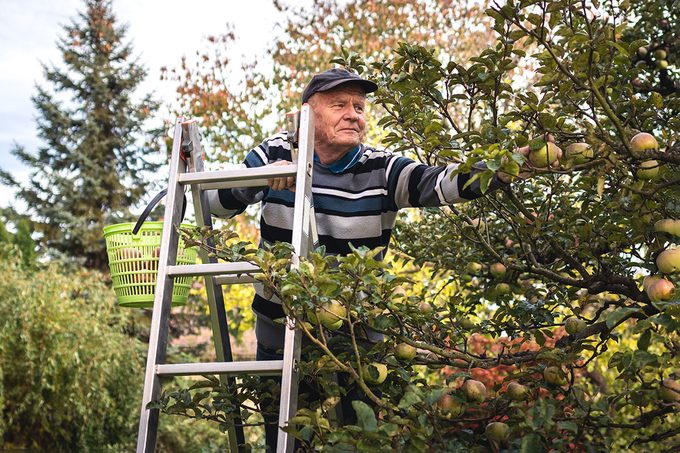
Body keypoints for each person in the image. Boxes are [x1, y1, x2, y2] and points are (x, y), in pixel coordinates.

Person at [207, 68, 553, 450]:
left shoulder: (382, 169)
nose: (353, 114)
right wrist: (261, 177)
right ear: (308, 113)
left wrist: (506, 165)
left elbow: (441, 182)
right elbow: (214, 203)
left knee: (358, 435)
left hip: (356, 332)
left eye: (359, 105)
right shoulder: (275, 152)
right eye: (339, 104)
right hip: (281, 327)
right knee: (284, 437)